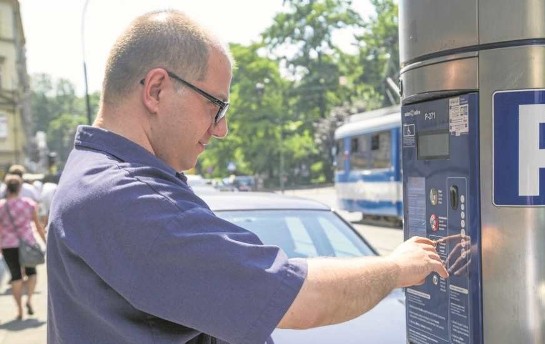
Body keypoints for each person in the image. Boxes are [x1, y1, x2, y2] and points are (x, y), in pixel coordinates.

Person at [46, 10, 447, 344]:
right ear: (156, 90)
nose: (221, 129)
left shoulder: (95, 177)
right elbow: (301, 297)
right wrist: (397, 267)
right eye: (215, 106)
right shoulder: (126, 196)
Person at [0, 174, 46, 320]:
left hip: (8, 245)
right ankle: (29, 300)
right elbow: (38, 226)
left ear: (7, 188)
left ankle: (19, 310)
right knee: (32, 273)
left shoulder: (1, 206)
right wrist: (45, 241)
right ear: (20, 187)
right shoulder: (28, 204)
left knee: (15, 276)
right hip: (27, 243)